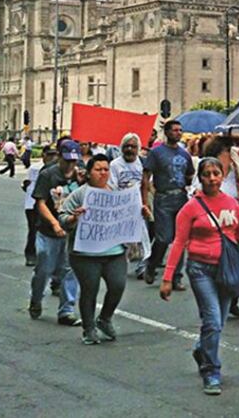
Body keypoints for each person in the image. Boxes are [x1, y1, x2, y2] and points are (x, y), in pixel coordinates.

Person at [160, 157, 239, 395]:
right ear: (200, 177)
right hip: (200, 270)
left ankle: (202, 349)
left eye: (215, 174)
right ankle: (211, 371)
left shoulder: (233, 204)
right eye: (206, 174)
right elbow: (178, 242)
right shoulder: (191, 208)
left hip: (227, 270)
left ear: (222, 176)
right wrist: (168, 277)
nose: (211, 179)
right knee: (212, 320)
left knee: (218, 322)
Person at [59, 154, 147, 344]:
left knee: (117, 285)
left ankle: (105, 319)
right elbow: (62, 217)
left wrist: (142, 213)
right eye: (98, 169)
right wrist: (74, 218)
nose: (103, 173)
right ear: (89, 173)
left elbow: (130, 215)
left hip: (114, 252)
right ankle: (88, 328)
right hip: (85, 253)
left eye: (106, 169)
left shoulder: (117, 192)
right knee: (90, 289)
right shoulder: (80, 194)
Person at [28, 139, 82, 326]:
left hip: (71, 231)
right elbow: (40, 203)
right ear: (59, 156)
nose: (70, 164)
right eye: (67, 160)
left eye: (74, 161)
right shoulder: (48, 175)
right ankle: (36, 299)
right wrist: (54, 223)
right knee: (44, 269)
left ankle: (66, 310)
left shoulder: (79, 175)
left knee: (69, 270)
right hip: (47, 231)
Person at [200, 134, 239, 319]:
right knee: (219, 270)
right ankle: (218, 303)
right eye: (229, 151)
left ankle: (232, 299)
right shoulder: (210, 175)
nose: (234, 155)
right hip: (217, 232)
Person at [143, 120, 195, 288]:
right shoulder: (157, 153)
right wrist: (145, 201)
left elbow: (190, 174)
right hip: (163, 199)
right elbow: (145, 177)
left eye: (180, 130)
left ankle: (176, 277)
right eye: (174, 130)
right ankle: (152, 265)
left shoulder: (184, 154)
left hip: (180, 197)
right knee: (164, 238)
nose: (178, 133)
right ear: (166, 132)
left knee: (180, 239)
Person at [110, 133, 149, 278]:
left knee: (142, 238)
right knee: (122, 240)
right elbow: (112, 186)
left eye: (133, 146)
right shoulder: (115, 164)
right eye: (127, 146)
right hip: (120, 207)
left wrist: (145, 204)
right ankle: (121, 267)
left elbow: (145, 184)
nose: (130, 149)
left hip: (138, 207)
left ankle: (142, 267)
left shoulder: (143, 163)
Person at [23, 144, 59, 265]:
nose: (52, 157)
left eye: (55, 154)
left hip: (48, 203)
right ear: (43, 154)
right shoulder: (36, 168)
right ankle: (30, 254)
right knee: (33, 229)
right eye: (50, 154)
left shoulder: (56, 169)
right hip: (32, 203)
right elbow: (28, 184)